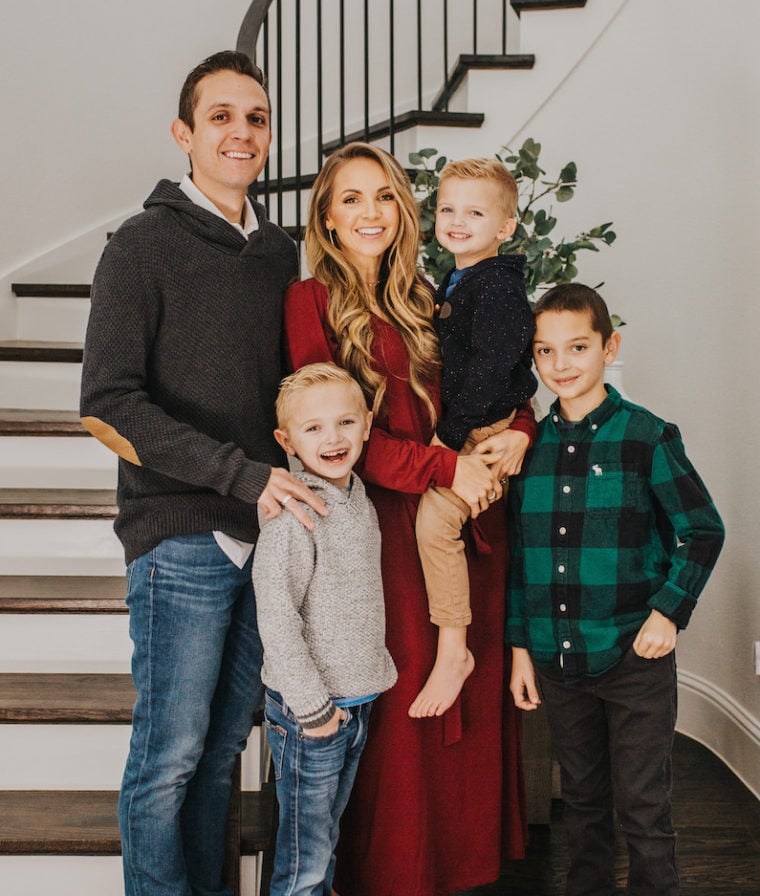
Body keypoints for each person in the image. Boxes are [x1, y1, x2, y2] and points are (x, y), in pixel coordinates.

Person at [80, 50, 326, 896]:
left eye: (256, 118)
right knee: (170, 757)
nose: (241, 132)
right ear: (183, 134)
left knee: (222, 750)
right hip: (181, 535)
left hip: (269, 537)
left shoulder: (279, 253)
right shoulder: (140, 246)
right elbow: (109, 405)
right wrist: (239, 475)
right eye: (221, 116)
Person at [284, 141, 534, 896]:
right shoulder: (310, 302)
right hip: (384, 531)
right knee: (403, 705)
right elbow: (329, 440)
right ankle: (398, 872)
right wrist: (444, 468)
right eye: (351, 198)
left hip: (466, 516)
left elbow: (499, 376)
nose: (371, 212)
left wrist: (522, 428)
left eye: (385, 196)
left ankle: (465, 866)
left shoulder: (432, 294)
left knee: (467, 692)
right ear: (328, 217)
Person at [508, 282, 725, 896]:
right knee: (581, 800)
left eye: (577, 346)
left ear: (610, 346)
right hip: (557, 659)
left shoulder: (646, 437)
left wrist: (668, 613)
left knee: (642, 804)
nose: (561, 364)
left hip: (633, 657)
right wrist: (520, 649)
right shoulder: (529, 449)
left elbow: (702, 530)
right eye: (545, 351)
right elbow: (522, 559)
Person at [253, 362, 398, 896]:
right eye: (313, 428)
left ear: (366, 426)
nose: (332, 438)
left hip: (354, 702)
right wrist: (314, 710)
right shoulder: (295, 515)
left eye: (345, 422)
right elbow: (276, 616)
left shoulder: (358, 498)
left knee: (327, 837)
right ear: (286, 441)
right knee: (306, 857)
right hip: (310, 713)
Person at [410, 158, 537, 719]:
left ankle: (454, 649)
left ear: (505, 227)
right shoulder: (461, 280)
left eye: (475, 213)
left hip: (482, 431)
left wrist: (448, 436)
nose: (457, 221)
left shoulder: (498, 288)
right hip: (473, 424)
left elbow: (490, 371)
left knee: (435, 525)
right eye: (447, 209)